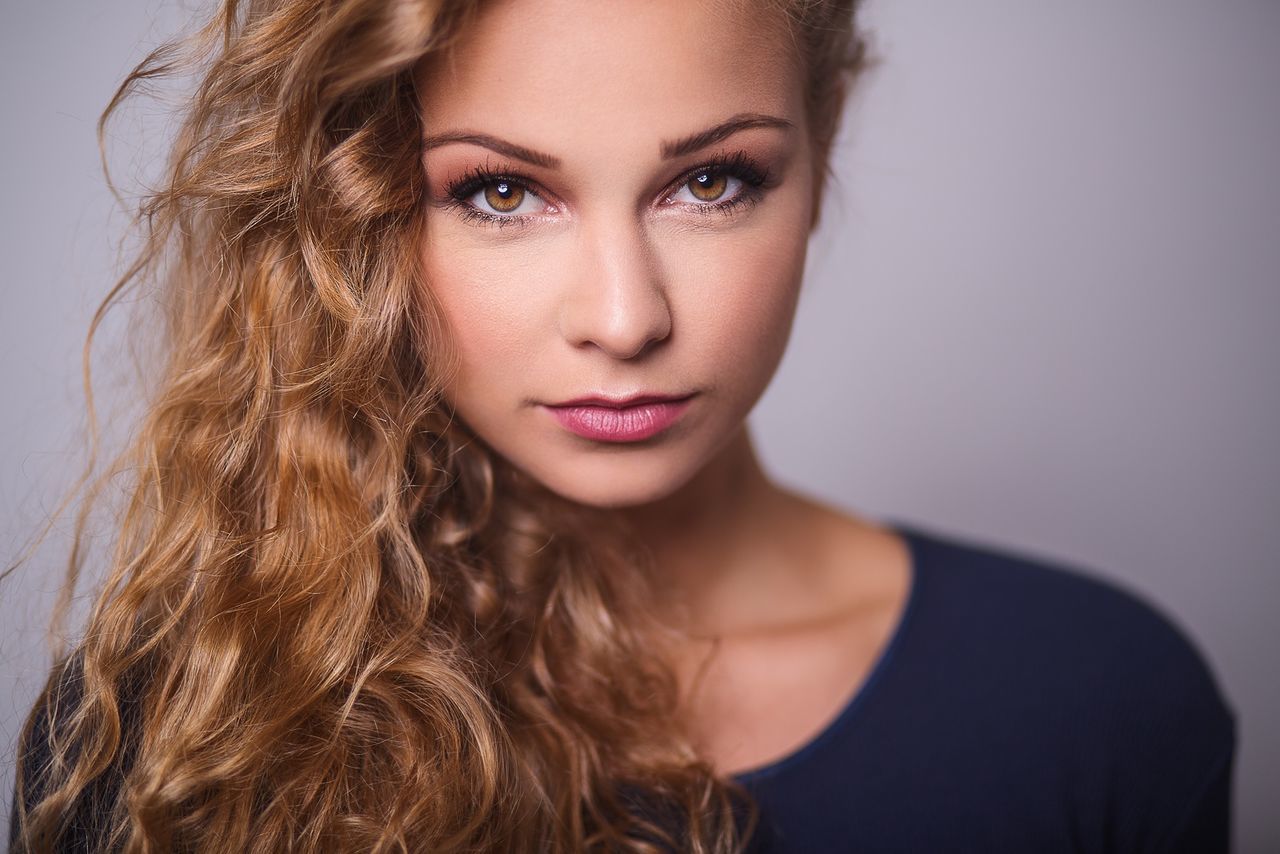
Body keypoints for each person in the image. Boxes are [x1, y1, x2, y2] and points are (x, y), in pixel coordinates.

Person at [8, 0, 1236, 851]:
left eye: (710, 181)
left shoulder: (1094, 705)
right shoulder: (178, 730)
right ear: (358, 210)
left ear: (823, 147)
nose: (623, 315)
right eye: (499, 191)